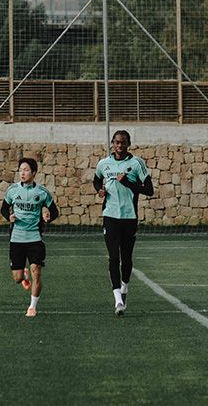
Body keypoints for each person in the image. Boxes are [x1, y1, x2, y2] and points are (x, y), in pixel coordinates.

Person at [92, 129, 153, 316]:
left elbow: (149, 190)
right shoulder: (104, 164)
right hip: (110, 217)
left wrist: (127, 183)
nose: (119, 145)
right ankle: (118, 299)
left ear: (128, 144)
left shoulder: (136, 164)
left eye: (123, 142)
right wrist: (100, 191)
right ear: (112, 143)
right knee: (113, 257)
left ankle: (124, 288)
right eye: (117, 142)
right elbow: (96, 181)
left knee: (126, 258)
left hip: (129, 217)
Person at [1, 157, 57, 318]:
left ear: (34, 173)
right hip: (16, 239)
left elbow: (55, 212)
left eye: (26, 170)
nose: (23, 173)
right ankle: (23, 275)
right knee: (17, 278)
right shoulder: (12, 191)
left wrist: (47, 216)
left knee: (37, 271)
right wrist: (9, 217)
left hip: (35, 238)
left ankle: (32, 306)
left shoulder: (42, 193)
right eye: (21, 170)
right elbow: (4, 209)